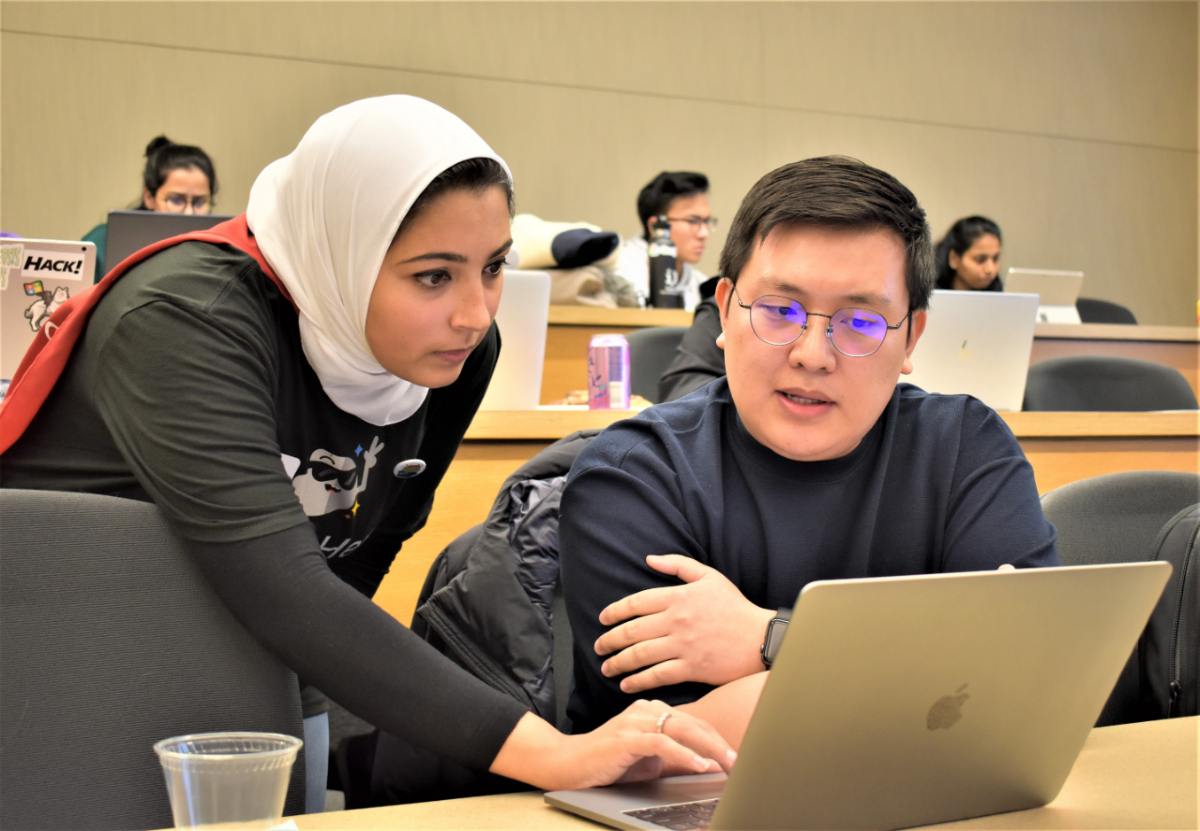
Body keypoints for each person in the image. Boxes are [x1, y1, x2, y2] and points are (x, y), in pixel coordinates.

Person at [0, 96, 734, 811]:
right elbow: (290, 587)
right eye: (434, 275)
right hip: (54, 664)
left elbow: (353, 561)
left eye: (493, 266)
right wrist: (552, 752)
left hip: (237, 660)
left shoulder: (455, 356)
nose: (475, 314)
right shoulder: (187, 317)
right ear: (341, 250)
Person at [559, 157, 1059, 746]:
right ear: (724, 309)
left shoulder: (965, 450)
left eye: (860, 321)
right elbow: (680, 743)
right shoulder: (632, 478)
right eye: (780, 311)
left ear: (911, 338)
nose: (813, 353)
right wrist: (935, 661)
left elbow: (1029, 683)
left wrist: (770, 639)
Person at [82, 135, 219, 282]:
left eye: (199, 202)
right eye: (176, 200)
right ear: (149, 197)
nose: (189, 212)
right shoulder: (101, 243)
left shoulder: (221, 250)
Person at [612, 171, 714, 310]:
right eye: (693, 221)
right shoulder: (619, 273)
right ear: (656, 226)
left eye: (706, 221)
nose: (704, 233)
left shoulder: (701, 284)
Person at [934, 215, 1003, 292]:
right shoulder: (929, 298)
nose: (990, 269)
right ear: (954, 259)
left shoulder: (1002, 298)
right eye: (980, 260)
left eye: (995, 259)